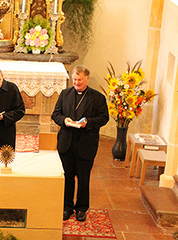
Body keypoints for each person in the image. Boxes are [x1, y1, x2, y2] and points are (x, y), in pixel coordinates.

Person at [51, 65, 109, 222]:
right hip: (66, 142)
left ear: (87, 79)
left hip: (85, 143)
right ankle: (66, 207)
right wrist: (65, 120)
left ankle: (81, 208)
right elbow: (55, 114)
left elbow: (104, 118)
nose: (77, 83)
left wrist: (87, 122)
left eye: (80, 80)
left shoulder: (97, 98)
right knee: (67, 177)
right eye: (75, 79)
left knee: (83, 178)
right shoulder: (65, 94)